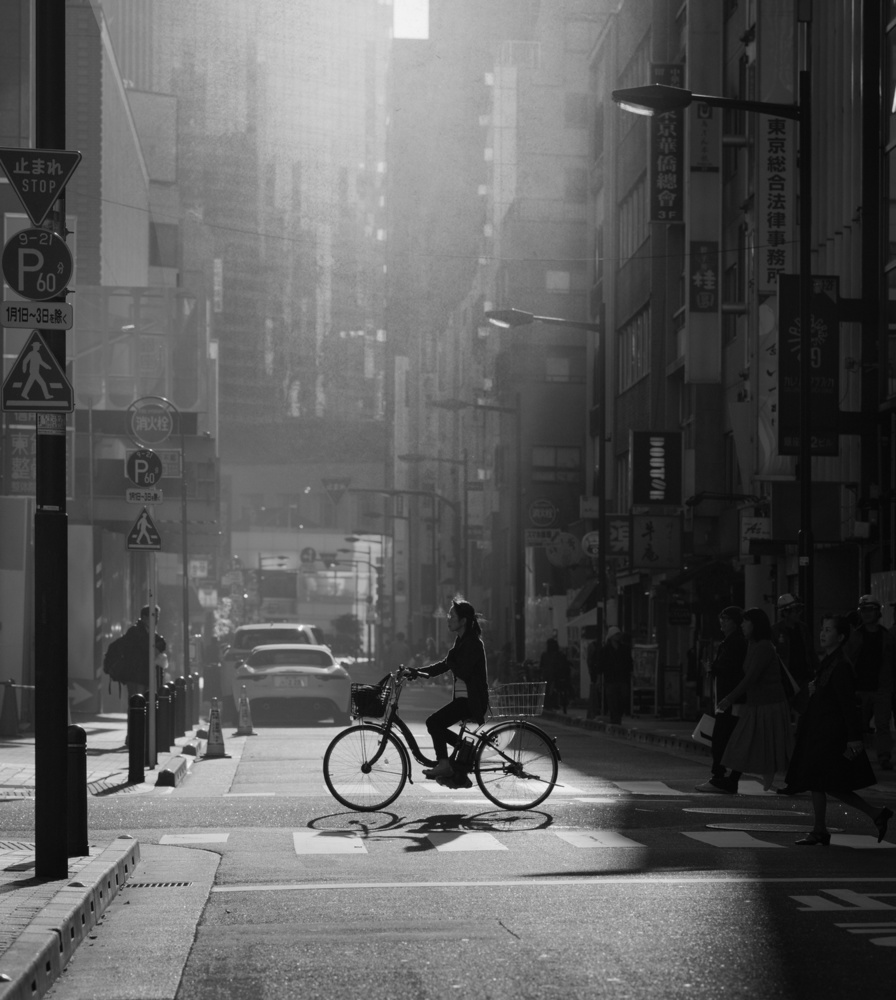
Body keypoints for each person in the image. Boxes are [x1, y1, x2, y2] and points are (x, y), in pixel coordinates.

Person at [785, 613, 893, 846]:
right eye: (822, 629)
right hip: (822, 730)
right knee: (824, 782)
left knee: (824, 781)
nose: (823, 634)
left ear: (841, 636)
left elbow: (847, 704)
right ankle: (866, 816)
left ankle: (823, 829)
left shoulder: (841, 665)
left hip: (832, 733)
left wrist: (854, 738)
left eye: (829, 630)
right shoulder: (829, 661)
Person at [408, 599, 489, 783]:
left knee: (434, 723)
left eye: (452, 616)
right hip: (463, 700)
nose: (448, 619)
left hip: (472, 702)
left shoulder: (473, 644)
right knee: (436, 723)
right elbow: (443, 666)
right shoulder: (461, 641)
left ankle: (446, 762)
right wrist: (418, 672)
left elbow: (462, 670)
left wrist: (451, 662)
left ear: (464, 621)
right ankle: (461, 759)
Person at [717, 607, 793, 791]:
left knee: (759, 744)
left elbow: (750, 677)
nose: (742, 625)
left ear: (755, 624)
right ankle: (733, 779)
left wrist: (729, 698)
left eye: (745, 621)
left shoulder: (764, 646)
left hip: (769, 704)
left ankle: (794, 779)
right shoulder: (751, 644)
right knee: (747, 742)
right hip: (757, 703)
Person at [695, 606, 748, 794]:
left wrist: (713, 668)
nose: (722, 622)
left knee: (722, 738)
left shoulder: (736, 643)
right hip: (727, 697)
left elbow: (729, 668)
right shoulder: (730, 641)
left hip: (731, 698)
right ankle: (727, 778)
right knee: (727, 738)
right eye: (721, 618)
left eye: (726, 619)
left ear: (736, 622)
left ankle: (720, 777)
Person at [844, 595, 895, 771]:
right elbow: (847, 662)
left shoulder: (886, 637)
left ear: (877, 612)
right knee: (857, 727)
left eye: (870, 610)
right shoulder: (855, 637)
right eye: (863, 610)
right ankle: (853, 757)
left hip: (881, 688)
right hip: (860, 689)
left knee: (882, 725)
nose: (866, 614)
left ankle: (884, 756)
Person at [771, 594, 813, 711]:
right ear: (785, 612)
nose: (799, 613)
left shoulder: (803, 629)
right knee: (784, 713)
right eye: (795, 610)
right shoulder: (775, 631)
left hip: (804, 678)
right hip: (786, 682)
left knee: (805, 713)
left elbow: (810, 652)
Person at [601, 626, 633, 725]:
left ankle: (618, 716)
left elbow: (629, 662)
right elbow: (601, 664)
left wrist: (631, 672)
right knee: (611, 699)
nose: (618, 636)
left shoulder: (624, 649)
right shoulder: (605, 650)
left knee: (623, 697)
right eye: (616, 634)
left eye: (619, 634)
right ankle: (614, 718)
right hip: (610, 679)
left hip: (622, 678)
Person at [539, 637, 571, 714]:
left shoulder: (545, 654)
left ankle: (549, 704)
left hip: (550, 676)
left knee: (547, 689)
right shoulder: (559, 654)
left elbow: (541, 665)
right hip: (558, 675)